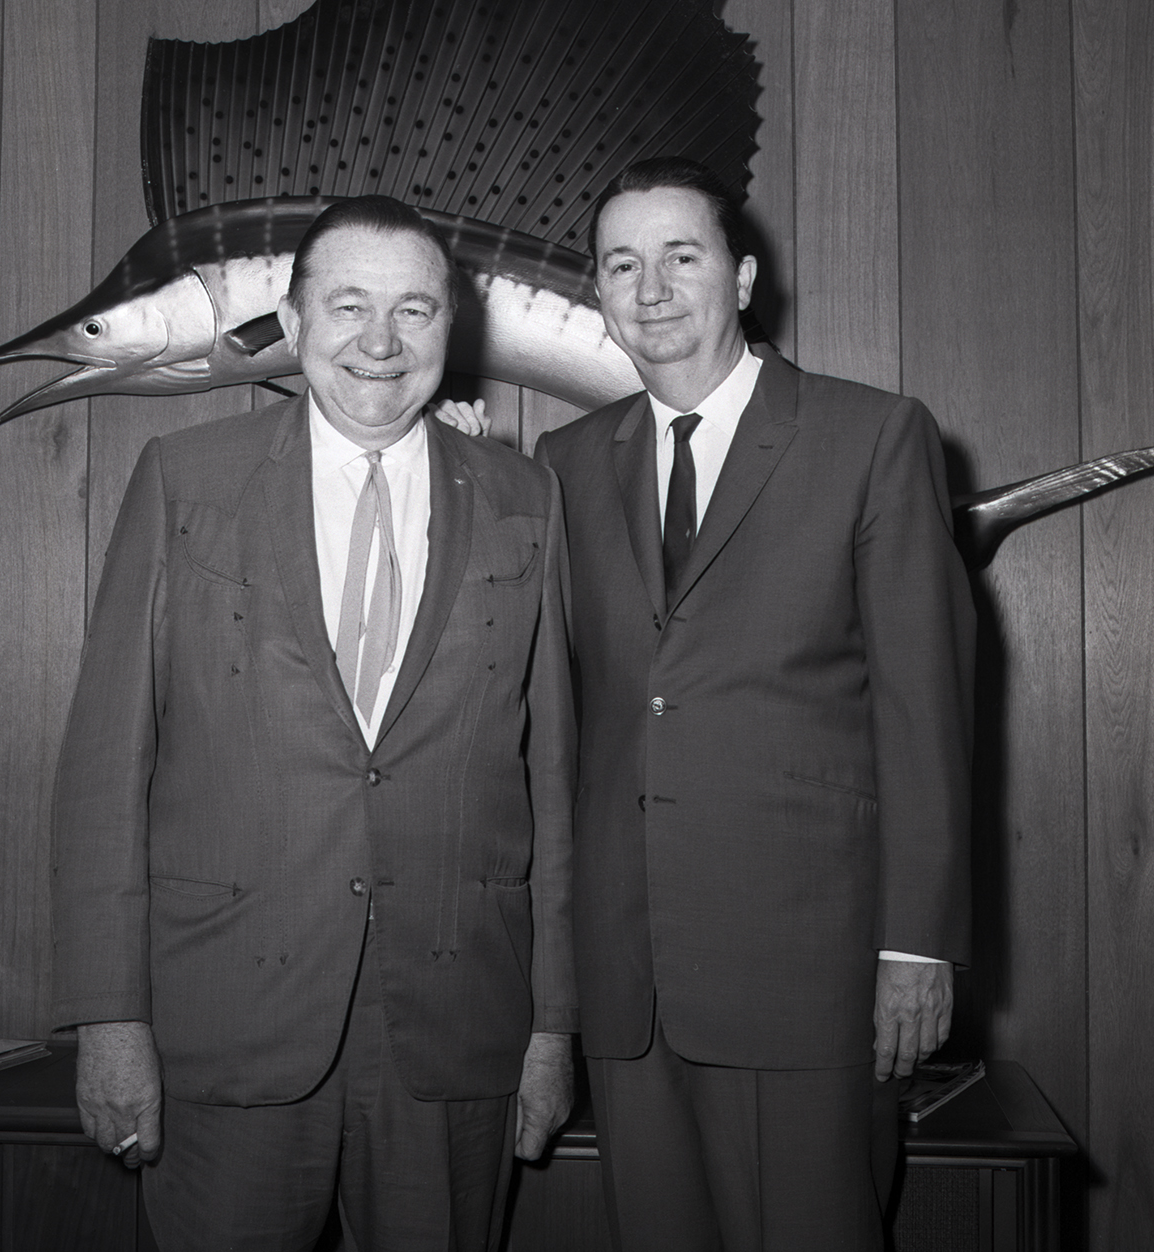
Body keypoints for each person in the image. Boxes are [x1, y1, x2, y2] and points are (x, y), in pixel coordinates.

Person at [51, 196, 576, 1252]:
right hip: (232, 1016)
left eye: (414, 311)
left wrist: (554, 1022)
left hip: (455, 1025)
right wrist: (110, 1021)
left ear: (450, 330)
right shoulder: (186, 482)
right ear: (289, 326)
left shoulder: (527, 498)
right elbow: (108, 768)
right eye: (347, 306)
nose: (380, 342)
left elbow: (555, 779)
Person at [532, 158, 974, 1251]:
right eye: (622, 265)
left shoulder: (873, 437)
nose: (652, 288)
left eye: (681, 257)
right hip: (627, 979)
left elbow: (927, 711)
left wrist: (917, 947)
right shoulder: (567, 465)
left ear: (740, 277)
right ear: (598, 293)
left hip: (807, 972)